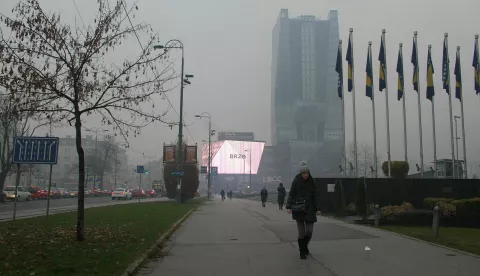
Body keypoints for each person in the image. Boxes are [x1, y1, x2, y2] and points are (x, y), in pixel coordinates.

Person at [286, 161, 320, 260]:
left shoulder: (311, 182)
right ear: (301, 173)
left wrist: (318, 208)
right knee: (301, 233)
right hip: (299, 209)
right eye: (304, 173)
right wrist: (288, 206)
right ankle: (302, 252)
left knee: (309, 231)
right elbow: (291, 194)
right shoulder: (296, 181)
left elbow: (315, 196)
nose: (305, 175)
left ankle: (304, 247)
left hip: (309, 209)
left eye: (307, 173)